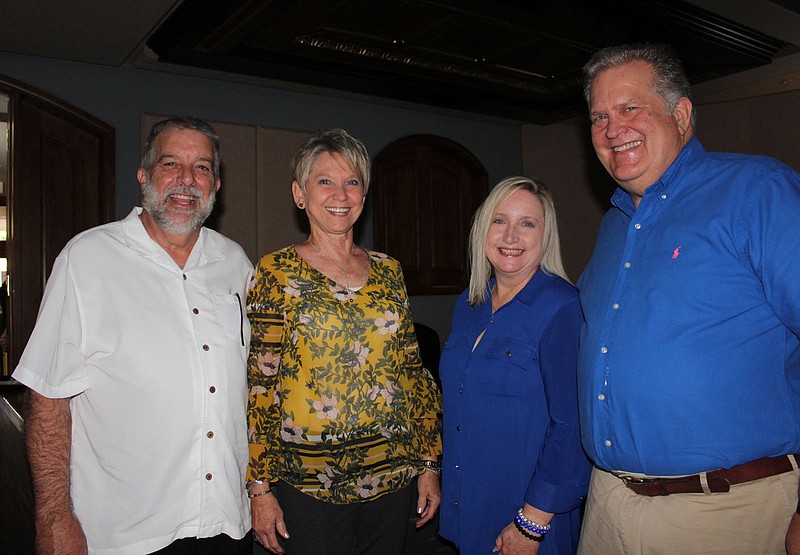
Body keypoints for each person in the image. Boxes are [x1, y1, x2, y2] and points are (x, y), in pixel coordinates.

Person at [576, 43, 800, 554]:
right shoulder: (613, 226)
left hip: (728, 510)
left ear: (681, 114)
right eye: (599, 117)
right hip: (608, 504)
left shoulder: (758, 191)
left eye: (631, 108)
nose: (613, 129)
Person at [13, 117, 253, 554]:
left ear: (216, 184)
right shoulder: (88, 258)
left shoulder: (235, 263)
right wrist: (53, 517)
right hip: (127, 533)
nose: (186, 180)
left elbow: (250, 389)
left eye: (201, 167)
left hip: (226, 523)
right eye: (170, 164)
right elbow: (49, 396)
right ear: (144, 175)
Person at [246, 129, 442, 554]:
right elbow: (261, 386)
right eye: (325, 181)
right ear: (300, 194)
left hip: (392, 474)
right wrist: (259, 488)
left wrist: (428, 463)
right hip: (309, 482)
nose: (341, 193)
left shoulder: (389, 271)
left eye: (352, 181)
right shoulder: (275, 272)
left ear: (364, 193)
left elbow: (412, 371)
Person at [438, 176, 591, 554]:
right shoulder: (469, 304)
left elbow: (571, 428)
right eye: (500, 221)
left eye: (527, 223)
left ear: (545, 234)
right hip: (468, 505)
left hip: (530, 518)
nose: (511, 236)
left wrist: (531, 523)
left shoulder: (562, 308)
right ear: (483, 229)